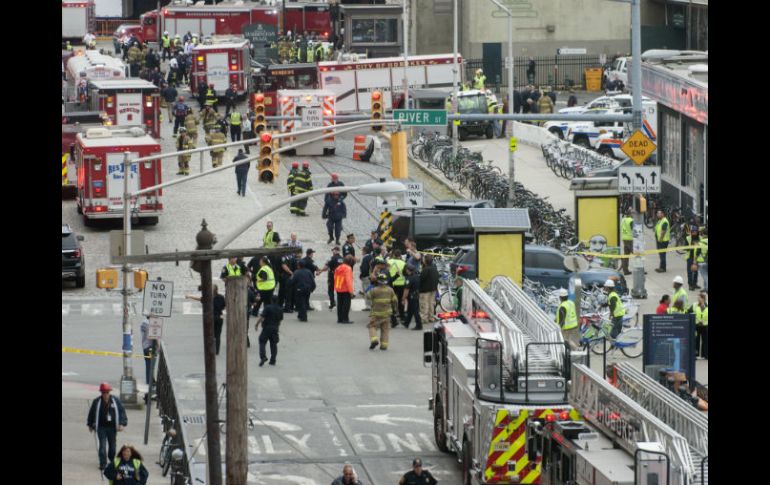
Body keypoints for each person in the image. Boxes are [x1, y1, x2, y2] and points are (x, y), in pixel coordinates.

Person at [87, 382, 128, 470]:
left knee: (112, 447)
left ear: (109, 392)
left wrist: (122, 423)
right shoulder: (96, 401)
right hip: (101, 427)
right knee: (102, 446)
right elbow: (91, 413)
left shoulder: (116, 401)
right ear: (101, 393)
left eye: (107, 392)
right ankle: (103, 463)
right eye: (103, 392)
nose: (105, 394)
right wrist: (90, 424)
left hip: (112, 428)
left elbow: (122, 412)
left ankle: (111, 459)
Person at [367, 273, 398, 350]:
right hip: (387, 314)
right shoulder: (390, 290)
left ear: (378, 281)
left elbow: (367, 296)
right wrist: (395, 309)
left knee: (372, 326)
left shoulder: (374, 290)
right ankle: (384, 345)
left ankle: (374, 339)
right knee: (385, 329)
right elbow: (395, 301)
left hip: (376, 313)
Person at [255, 295, 283, 366]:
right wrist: (277, 327)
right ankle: (273, 360)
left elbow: (262, 317)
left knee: (262, 341)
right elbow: (280, 321)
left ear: (271, 300)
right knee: (273, 344)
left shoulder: (267, 307)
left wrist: (256, 324)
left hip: (267, 327)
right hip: (275, 328)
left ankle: (263, 356)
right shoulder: (280, 309)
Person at [388, 249, 407, 327]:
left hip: (392, 283)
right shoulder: (403, 263)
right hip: (401, 283)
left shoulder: (389, 262)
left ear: (393, 255)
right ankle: (402, 315)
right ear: (400, 256)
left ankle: (393, 315)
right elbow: (406, 273)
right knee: (401, 300)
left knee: (392, 300)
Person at [418, 255, 439, 324]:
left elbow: (421, 279)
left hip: (425, 290)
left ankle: (424, 318)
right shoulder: (434, 268)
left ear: (425, 261)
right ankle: (431, 317)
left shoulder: (426, 269)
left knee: (424, 304)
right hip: (433, 289)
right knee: (431, 304)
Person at [335, 255, 355, 323]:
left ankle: (339, 318)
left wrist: (336, 287)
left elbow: (335, 278)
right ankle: (345, 319)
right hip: (346, 289)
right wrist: (351, 292)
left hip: (339, 288)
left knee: (340, 304)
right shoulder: (348, 268)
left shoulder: (339, 267)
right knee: (346, 305)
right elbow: (348, 280)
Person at [401, 264, 422, 330]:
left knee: (415, 311)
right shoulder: (417, 276)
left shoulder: (409, 278)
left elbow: (406, 290)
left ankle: (419, 325)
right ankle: (406, 323)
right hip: (416, 294)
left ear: (408, 270)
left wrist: (403, 298)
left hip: (412, 296)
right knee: (410, 310)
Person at [139, 314, 156, 387]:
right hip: (150, 346)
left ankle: (150, 380)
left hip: (145, 346)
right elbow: (153, 335)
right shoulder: (149, 323)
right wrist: (158, 346)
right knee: (151, 365)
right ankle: (150, 382)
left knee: (148, 365)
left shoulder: (144, 322)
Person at [691, 291, 708, 359]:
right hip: (697, 325)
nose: (698, 299)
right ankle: (696, 355)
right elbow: (689, 311)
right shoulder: (695, 304)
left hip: (705, 326)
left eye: (699, 298)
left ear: (703, 299)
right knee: (696, 340)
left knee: (705, 341)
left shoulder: (707, 305)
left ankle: (705, 355)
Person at [620, 208, 634, 275]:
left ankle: (625, 270)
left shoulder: (623, 220)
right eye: (633, 213)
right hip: (630, 239)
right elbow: (634, 230)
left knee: (626, 255)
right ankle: (640, 270)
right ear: (630, 214)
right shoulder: (631, 220)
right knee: (637, 254)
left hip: (624, 239)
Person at [698, 226, 708, 292]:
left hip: (702, 261)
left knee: (705, 276)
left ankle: (707, 288)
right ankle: (705, 288)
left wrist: (695, 261)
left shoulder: (700, 242)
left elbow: (697, 252)